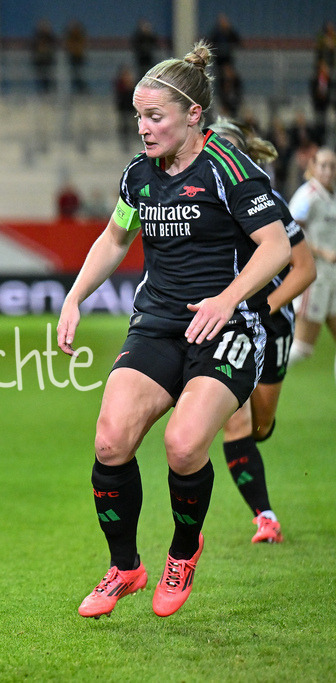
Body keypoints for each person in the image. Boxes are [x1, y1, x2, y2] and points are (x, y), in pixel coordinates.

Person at [57, 42, 291, 620]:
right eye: (138, 116)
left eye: (154, 116)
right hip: (158, 324)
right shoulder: (139, 175)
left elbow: (277, 247)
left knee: (184, 446)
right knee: (110, 440)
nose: (142, 127)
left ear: (193, 115)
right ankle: (125, 567)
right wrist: (74, 296)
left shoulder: (231, 170)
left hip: (229, 326)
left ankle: (183, 553)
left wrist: (228, 299)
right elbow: (115, 238)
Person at [210, 118, 316, 545]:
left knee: (259, 427)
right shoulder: (196, 200)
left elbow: (304, 269)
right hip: (223, 324)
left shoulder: (267, 200)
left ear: (243, 156)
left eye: (228, 150)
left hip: (271, 322)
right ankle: (265, 517)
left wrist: (262, 308)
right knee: (234, 420)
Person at [287, 147, 336, 369]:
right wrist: (321, 251)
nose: (328, 171)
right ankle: (262, 375)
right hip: (314, 277)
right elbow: (290, 231)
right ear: (313, 167)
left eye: (332, 166)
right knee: (302, 348)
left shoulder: (332, 195)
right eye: (323, 165)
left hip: (332, 277)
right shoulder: (307, 196)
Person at [31, 19, 57, 94]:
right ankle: (43, 92)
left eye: (45, 26)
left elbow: (53, 47)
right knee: (40, 78)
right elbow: (34, 48)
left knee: (49, 77)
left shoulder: (50, 38)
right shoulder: (37, 37)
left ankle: (50, 91)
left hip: (48, 61)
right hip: (39, 61)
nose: (43, 28)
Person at [64, 20, 88, 94]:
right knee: (73, 75)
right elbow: (68, 46)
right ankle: (78, 90)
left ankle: (82, 90)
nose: (74, 29)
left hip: (79, 58)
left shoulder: (80, 36)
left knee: (79, 74)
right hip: (72, 58)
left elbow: (82, 46)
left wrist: (76, 49)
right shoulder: (69, 37)